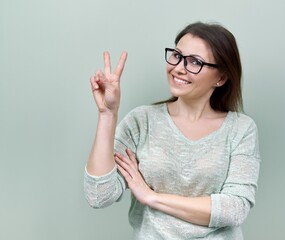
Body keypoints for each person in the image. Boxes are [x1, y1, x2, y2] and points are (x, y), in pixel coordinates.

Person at [84, 22, 261, 240]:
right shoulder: (142, 121)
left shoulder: (241, 129)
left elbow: (235, 208)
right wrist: (107, 115)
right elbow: (99, 196)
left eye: (195, 62)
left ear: (221, 78)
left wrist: (152, 198)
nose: (178, 68)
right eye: (177, 55)